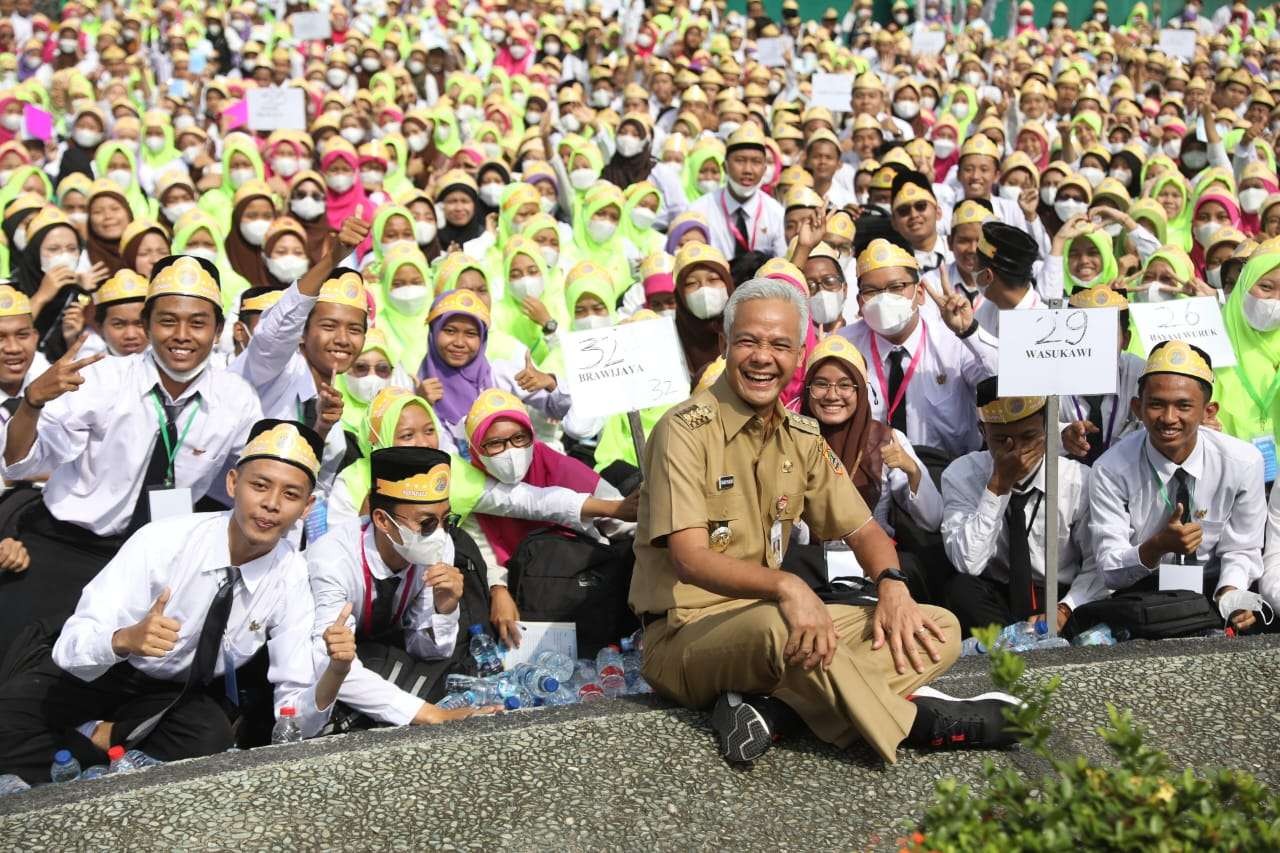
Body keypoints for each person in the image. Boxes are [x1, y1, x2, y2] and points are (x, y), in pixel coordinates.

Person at [632, 277, 1019, 768]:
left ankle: (777, 711)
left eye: (779, 345)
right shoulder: (683, 430)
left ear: (797, 356)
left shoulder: (800, 435)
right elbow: (689, 558)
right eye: (749, 341)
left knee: (935, 624)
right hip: (685, 634)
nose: (762, 357)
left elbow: (862, 531)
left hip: (772, 616)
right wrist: (789, 587)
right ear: (727, 345)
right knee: (781, 628)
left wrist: (892, 585)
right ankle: (919, 723)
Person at [0, 419, 356, 784]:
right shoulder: (163, 541)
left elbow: (293, 717)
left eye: (290, 495)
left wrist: (335, 672)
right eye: (260, 486)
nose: (270, 505)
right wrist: (125, 639)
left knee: (211, 737)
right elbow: (74, 643)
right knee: (8, 720)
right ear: (233, 483)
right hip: (100, 672)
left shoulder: (293, 575)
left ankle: (99, 746)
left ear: (308, 506)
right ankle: (104, 752)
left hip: (170, 696)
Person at [0, 255, 263, 657]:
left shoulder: (237, 399)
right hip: (72, 545)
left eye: (198, 323)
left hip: (157, 562)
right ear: (147, 324)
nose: (182, 335)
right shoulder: (101, 379)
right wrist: (31, 403)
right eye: (167, 320)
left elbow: (253, 482)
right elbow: (22, 462)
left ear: (218, 330)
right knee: (19, 662)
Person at [307, 446, 497, 726]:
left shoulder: (438, 545)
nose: (440, 534)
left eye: (446, 520)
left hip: (384, 655)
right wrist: (432, 715)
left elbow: (427, 651)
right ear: (382, 519)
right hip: (327, 671)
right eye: (427, 523)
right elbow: (328, 665)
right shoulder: (333, 559)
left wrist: (445, 609)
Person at [1089, 341, 1265, 633]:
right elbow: (1110, 569)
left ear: (1208, 411)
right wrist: (1156, 547)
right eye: (1156, 404)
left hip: (1212, 590)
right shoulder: (1110, 469)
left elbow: (1242, 548)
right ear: (1137, 407)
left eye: (1184, 405)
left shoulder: (1242, 462)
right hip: (1141, 595)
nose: (1169, 419)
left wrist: (1232, 593)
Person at [941, 379, 1105, 636]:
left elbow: (1097, 563)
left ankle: (1024, 642)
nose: (1017, 451)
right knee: (960, 589)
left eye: (1029, 437)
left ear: (1047, 430)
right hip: (997, 594)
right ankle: (1013, 645)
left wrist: (1064, 609)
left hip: (1058, 594)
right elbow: (968, 564)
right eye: (1002, 440)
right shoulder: (961, 475)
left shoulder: (1077, 479)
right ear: (982, 432)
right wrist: (998, 486)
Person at [795, 334, 941, 583]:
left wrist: (912, 471)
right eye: (821, 384)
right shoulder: (791, 438)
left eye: (845, 385)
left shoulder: (887, 439)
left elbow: (932, 519)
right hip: (810, 565)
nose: (832, 395)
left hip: (873, 566)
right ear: (807, 389)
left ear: (861, 390)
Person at [838, 239, 998, 460]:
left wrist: (969, 331)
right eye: (872, 291)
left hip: (949, 472)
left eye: (896, 288)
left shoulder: (952, 340)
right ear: (859, 301)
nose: (885, 299)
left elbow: (1005, 378)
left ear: (920, 292)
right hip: (873, 474)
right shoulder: (844, 346)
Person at [1059, 286, 1145, 466]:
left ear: (1126, 339)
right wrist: (1060, 435)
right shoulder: (1045, 373)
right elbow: (1026, 431)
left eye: (1106, 333)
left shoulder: (1142, 375)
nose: (1094, 343)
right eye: (1084, 332)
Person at [689, 123, 787, 261]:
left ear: (765, 169)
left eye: (756, 162)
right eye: (740, 161)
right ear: (725, 167)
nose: (748, 170)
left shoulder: (776, 213)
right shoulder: (699, 210)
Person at [971, 221, 1043, 336]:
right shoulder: (983, 309)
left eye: (974, 262)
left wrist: (968, 332)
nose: (971, 268)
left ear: (988, 276)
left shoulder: (1044, 325)